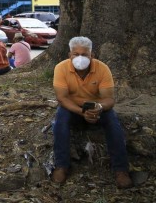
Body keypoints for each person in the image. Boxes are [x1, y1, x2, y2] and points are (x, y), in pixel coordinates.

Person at [51, 36, 132, 189]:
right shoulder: (61, 68)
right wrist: (82, 112)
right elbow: (62, 98)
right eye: (76, 54)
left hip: (97, 108)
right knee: (60, 124)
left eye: (85, 54)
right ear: (70, 55)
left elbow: (109, 99)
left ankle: (121, 170)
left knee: (114, 124)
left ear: (92, 55)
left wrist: (99, 108)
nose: (80, 58)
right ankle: (61, 165)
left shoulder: (102, 69)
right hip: (72, 108)